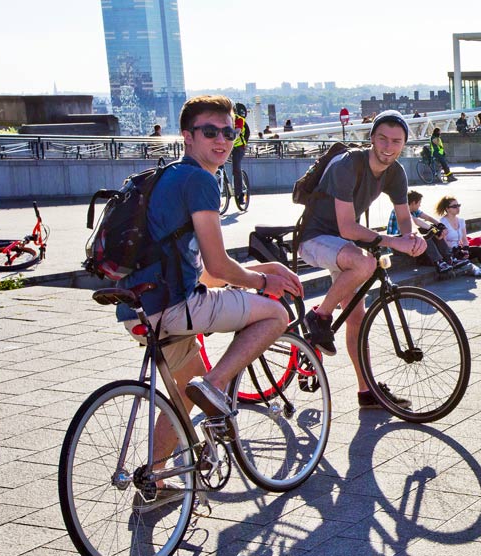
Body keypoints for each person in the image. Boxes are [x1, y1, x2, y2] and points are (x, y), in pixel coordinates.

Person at [117, 95, 303, 505]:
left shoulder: (165, 177)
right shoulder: (201, 180)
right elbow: (218, 266)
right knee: (274, 314)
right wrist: (260, 282)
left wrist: (257, 274)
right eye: (210, 131)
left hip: (135, 308)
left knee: (185, 390)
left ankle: (155, 480)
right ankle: (218, 386)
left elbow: (196, 268)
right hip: (173, 307)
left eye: (229, 132)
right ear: (187, 135)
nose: (222, 140)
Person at [297, 110, 423, 408]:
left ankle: (366, 391)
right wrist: (393, 242)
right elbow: (346, 227)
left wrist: (412, 237)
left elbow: (405, 217)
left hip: (345, 247)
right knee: (365, 263)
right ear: (371, 139)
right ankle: (319, 316)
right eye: (382, 139)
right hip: (315, 238)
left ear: (404, 144)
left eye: (396, 141)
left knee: (357, 317)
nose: (388, 147)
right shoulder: (348, 165)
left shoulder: (396, 173)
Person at [386, 190, 469, 275]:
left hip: (407, 241)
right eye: (419, 203)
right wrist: (433, 230)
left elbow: (428, 218)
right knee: (426, 233)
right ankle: (439, 262)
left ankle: (450, 259)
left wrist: (439, 225)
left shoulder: (413, 209)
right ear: (413, 203)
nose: (420, 205)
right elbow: (416, 221)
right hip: (398, 246)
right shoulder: (400, 211)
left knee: (430, 231)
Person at [435, 196, 481, 276]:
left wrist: (465, 249)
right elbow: (444, 243)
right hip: (450, 252)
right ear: (447, 209)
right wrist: (456, 250)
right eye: (454, 206)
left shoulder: (461, 221)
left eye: (458, 205)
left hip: (460, 249)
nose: (458, 208)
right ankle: (474, 268)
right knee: (458, 256)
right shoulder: (442, 222)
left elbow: (465, 239)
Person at [232, 103, 250, 205]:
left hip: (238, 147)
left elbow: (237, 131)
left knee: (236, 169)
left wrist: (231, 139)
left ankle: (240, 195)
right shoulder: (223, 120)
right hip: (226, 147)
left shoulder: (239, 119)